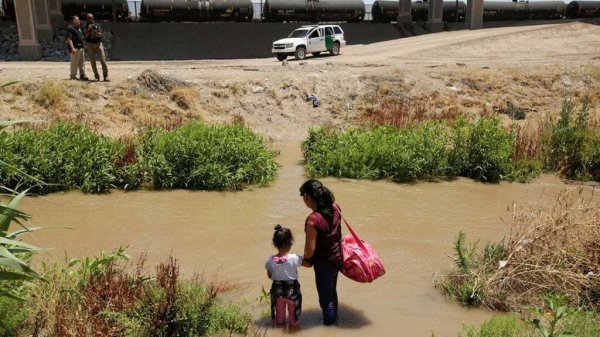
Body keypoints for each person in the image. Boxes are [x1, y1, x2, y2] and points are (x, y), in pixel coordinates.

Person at [299, 179, 342, 325]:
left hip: (323, 263)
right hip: (338, 257)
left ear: (307, 197)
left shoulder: (313, 220)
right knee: (332, 291)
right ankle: (335, 320)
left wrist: (300, 260)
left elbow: (309, 252)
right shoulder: (335, 208)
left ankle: (330, 328)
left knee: (326, 300)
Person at [265, 224, 302, 327]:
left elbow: (269, 275)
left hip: (278, 293)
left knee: (280, 318)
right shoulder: (295, 258)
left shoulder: (270, 260)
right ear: (290, 243)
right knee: (294, 319)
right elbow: (306, 262)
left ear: (275, 244)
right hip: (293, 293)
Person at [84, 13, 109, 82]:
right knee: (92, 61)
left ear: (93, 18)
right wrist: (89, 30)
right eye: (89, 18)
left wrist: (95, 30)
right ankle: (96, 76)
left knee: (103, 60)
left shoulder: (97, 25)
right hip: (90, 44)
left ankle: (105, 75)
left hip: (98, 43)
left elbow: (100, 35)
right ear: (87, 19)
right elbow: (85, 36)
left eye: (91, 18)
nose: (90, 19)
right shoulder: (85, 26)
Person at [66, 16, 88, 81]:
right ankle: (73, 76)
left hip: (81, 48)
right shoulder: (70, 28)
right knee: (74, 63)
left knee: (82, 63)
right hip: (75, 48)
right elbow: (69, 39)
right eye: (78, 20)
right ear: (74, 20)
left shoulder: (78, 28)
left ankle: (82, 75)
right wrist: (72, 48)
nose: (79, 21)